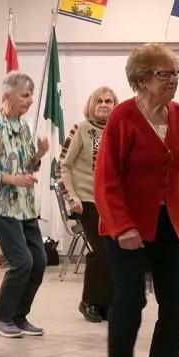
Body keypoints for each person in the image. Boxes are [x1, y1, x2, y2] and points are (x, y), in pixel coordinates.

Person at [94, 43, 179, 357]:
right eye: (164, 74)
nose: (173, 80)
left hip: (170, 224)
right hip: (128, 227)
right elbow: (106, 178)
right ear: (141, 80)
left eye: (176, 74)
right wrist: (123, 226)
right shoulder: (122, 117)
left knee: (178, 301)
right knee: (130, 300)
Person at [0, 72, 51, 339]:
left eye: (31, 95)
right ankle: (0, 317)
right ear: (7, 96)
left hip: (25, 205)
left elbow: (27, 165)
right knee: (22, 261)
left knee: (39, 261)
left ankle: (19, 316)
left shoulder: (24, 126)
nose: (29, 101)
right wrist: (12, 179)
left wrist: (39, 155)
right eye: (25, 95)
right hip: (2, 206)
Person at [58, 86, 116, 323]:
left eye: (109, 101)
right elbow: (63, 165)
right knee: (101, 251)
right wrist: (72, 197)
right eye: (99, 101)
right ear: (92, 105)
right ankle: (89, 301)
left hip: (111, 204)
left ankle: (106, 304)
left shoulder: (118, 130)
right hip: (87, 201)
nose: (104, 105)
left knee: (113, 252)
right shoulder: (80, 129)